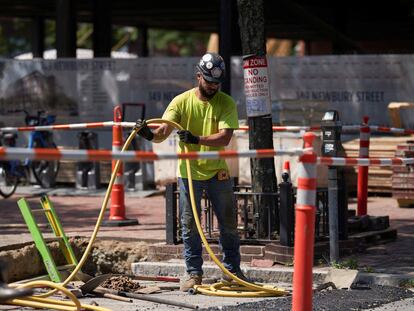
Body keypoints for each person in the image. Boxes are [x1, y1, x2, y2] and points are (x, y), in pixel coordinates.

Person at [136, 52, 247, 291]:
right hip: (189, 172)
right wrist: (149, 135)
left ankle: (232, 272)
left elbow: (225, 138)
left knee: (228, 223)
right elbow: (163, 131)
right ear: (198, 76)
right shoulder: (181, 102)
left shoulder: (226, 102)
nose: (213, 87)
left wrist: (196, 139)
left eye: (217, 83)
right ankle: (193, 273)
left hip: (218, 171)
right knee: (189, 224)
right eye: (209, 82)